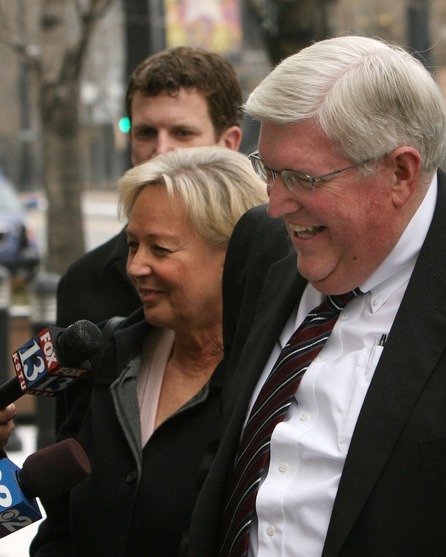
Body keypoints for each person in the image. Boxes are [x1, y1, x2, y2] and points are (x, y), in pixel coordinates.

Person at [184, 36, 446, 557]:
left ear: (400, 172)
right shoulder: (259, 247)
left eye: (303, 178)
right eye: (269, 168)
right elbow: (228, 455)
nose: (276, 203)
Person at [30, 146, 268, 556]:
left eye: (160, 249)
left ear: (234, 256)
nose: (136, 266)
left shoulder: (269, 385)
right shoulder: (110, 359)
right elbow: (62, 523)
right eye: (133, 245)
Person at [56, 46, 243, 329]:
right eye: (146, 133)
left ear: (228, 144)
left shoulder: (280, 267)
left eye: (182, 133)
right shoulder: (86, 282)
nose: (161, 150)